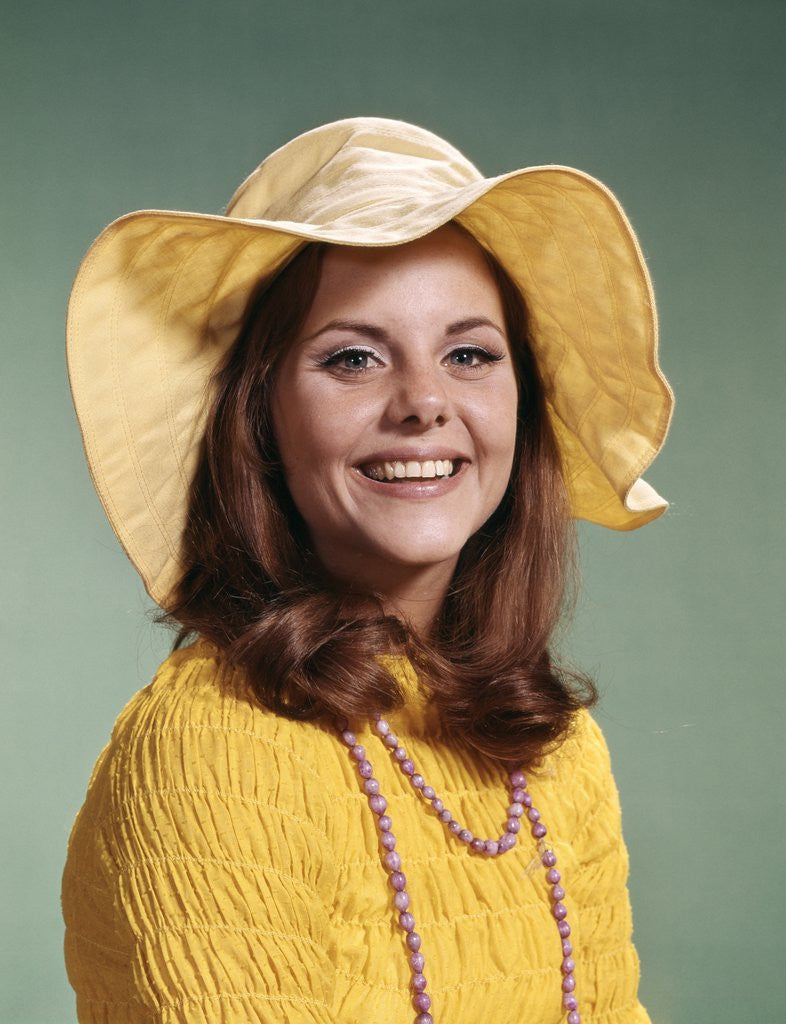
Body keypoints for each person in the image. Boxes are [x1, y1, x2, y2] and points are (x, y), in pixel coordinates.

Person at [62, 117, 673, 1024]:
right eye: (354, 358)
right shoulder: (211, 750)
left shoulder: (553, 750)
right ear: (260, 421)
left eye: (470, 354)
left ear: (523, 405)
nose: (425, 403)